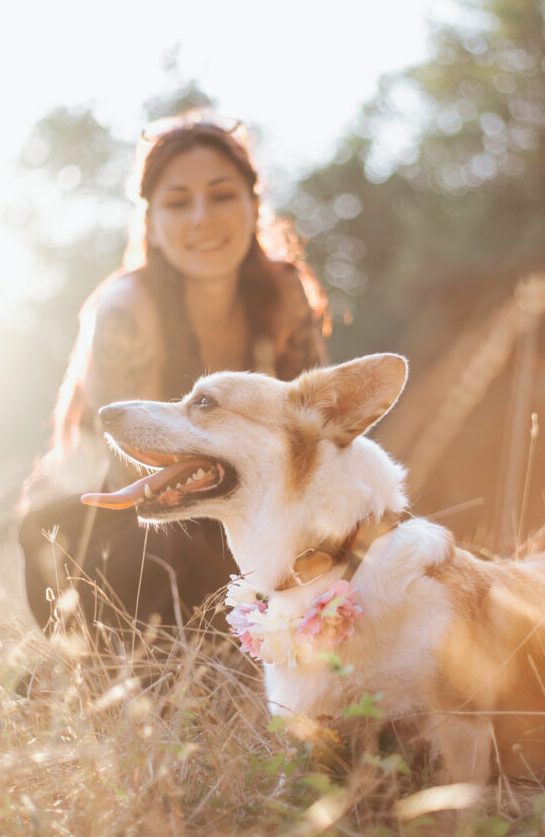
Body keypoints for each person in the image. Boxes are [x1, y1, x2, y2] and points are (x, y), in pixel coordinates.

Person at [19, 112, 328, 643]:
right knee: (173, 589)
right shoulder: (125, 309)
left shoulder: (285, 294)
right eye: (178, 202)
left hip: (233, 504)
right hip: (114, 519)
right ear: (152, 223)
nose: (201, 218)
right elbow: (136, 484)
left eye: (222, 195)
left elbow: (313, 439)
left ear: (254, 205)